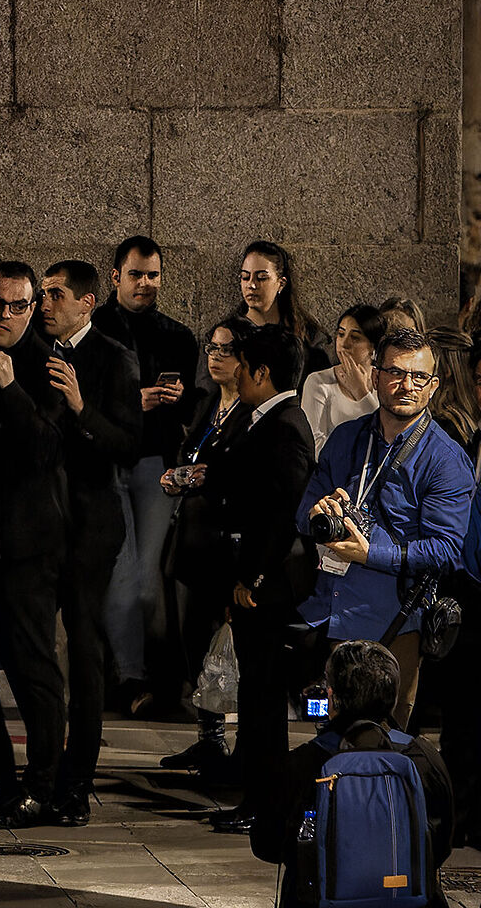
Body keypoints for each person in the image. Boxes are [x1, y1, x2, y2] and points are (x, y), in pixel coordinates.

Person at [298, 326, 475, 726]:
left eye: (418, 376)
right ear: (375, 375)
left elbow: (447, 551)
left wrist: (370, 553)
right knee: (328, 730)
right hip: (328, 609)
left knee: (382, 737)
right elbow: (304, 509)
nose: (405, 385)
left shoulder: (445, 459)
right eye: (394, 372)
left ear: (434, 385)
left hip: (394, 619)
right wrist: (316, 514)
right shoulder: (346, 439)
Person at [31, 259, 142, 823]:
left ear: (86, 302)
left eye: (55, 295)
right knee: (33, 650)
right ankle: (39, 774)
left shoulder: (112, 357)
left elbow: (127, 444)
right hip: (39, 525)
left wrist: (81, 406)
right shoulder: (34, 351)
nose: (45, 304)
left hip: (90, 527)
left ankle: (77, 782)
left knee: (84, 651)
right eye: (43, 294)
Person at [0, 260, 67, 827]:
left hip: (29, 542)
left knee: (32, 667)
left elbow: (47, 450)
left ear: (35, 309)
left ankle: (43, 784)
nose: (4, 315)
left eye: (17, 306)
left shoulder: (48, 365)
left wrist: (10, 386)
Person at [207, 324, 316, 836]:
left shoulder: (287, 424)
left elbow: (283, 511)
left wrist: (253, 576)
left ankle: (265, 802)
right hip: (254, 579)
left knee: (265, 698)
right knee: (255, 693)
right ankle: (256, 796)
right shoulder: (260, 419)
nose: (236, 373)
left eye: (243, 365)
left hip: (269, 585)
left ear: (262, 372)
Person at [250, 640, 451, 905]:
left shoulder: (304, 762)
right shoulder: (422, 758)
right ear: (393, 696)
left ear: (332, 697)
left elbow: (267, 844)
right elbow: (441, 845)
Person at [94, 235, 199, 714]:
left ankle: (155, 680)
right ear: (115, 276)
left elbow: (192, 405)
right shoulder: (94, 329)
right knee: (121, 573)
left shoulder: (177, 336)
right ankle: (127, 677)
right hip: (107, 461)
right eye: (136, 274)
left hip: (156, 460)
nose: (145, 283)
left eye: (153, 274)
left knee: (147, 579)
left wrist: (176, 402)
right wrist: (131, 401)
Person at [158, 317, 252, 778]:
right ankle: (207, 738)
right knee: (196, 642)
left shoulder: (251, 415)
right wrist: (177, 477)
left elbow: (233, 474)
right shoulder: (204, 404)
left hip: (223, 547)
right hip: (191, 543)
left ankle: (232, 744)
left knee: (225, 646)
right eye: (211, 348)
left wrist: (204, 478)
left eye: (226, 350)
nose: (215, 356)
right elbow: (188, 460)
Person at [237, 239, 331, 377]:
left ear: (281, 283)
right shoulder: (225, 335)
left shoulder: (310, 336)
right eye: (245, 277)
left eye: (262, 278)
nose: (251, 285)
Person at [303, 304, 386, 450]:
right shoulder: (318, 382)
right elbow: (314, 445)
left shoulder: (385, 382)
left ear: (373, 346)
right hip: (333, 470)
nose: (344, 343)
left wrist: (362, 393)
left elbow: (385, 437)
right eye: (341, 334)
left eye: (355, 337)